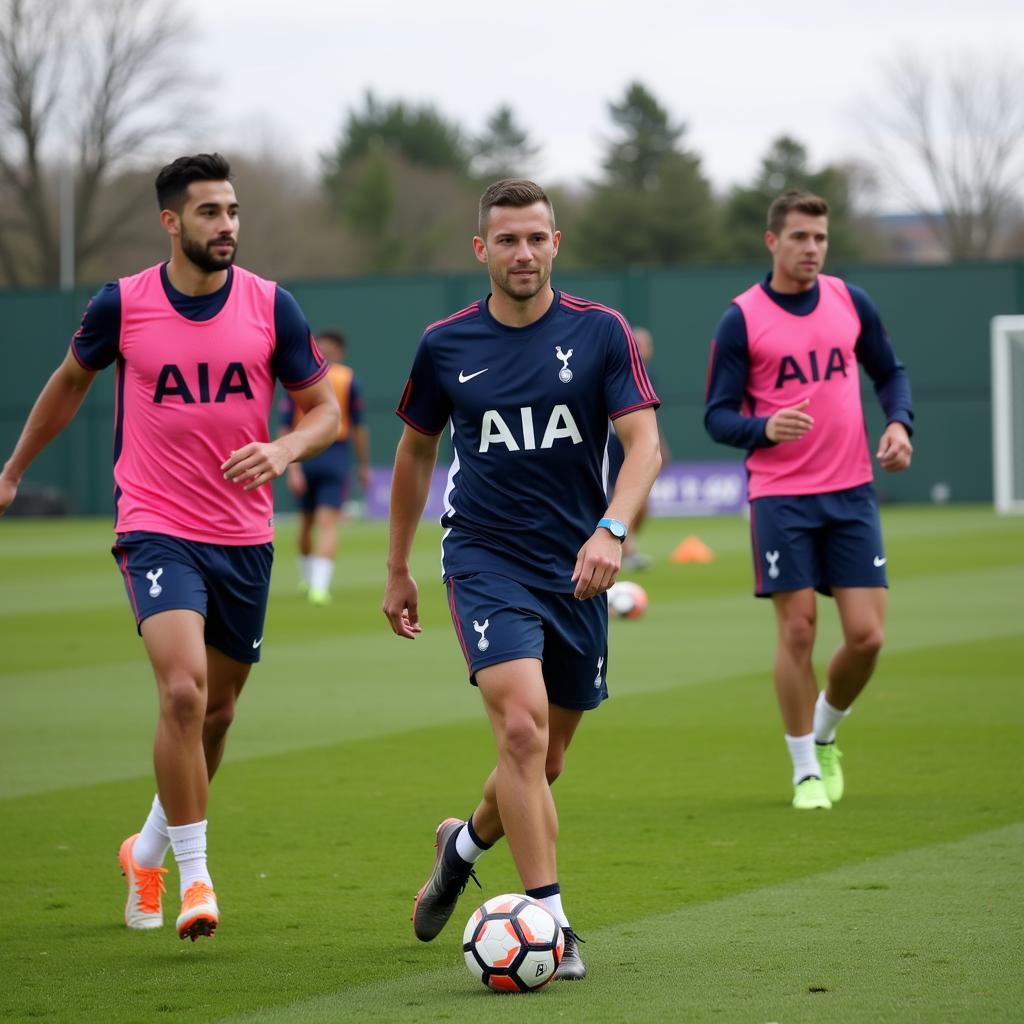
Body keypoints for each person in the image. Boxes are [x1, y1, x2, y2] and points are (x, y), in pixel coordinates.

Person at [0, 153, 339, 939]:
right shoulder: (121, 305)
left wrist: (285, 451)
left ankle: (145, 849)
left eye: (232, 211)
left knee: (215, 713)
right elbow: (68, 384)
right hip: (155, 526)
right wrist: (14, 470)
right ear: (171, 222)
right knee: (183, 694)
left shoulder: (271, 306)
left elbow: (321, 411)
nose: (226, 226)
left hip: (244, 535)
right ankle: (195, 879)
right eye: (210, 213)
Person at [382, 178, 662, 980]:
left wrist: (613, 528)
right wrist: (399, 566)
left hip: (578, 567)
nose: (523, 252)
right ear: (482, 250)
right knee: (519, 732)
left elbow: (643, 444)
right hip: (484, 557)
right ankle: (553, 922)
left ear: (556, 243)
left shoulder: (602, 332)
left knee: (547, 759)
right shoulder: (445, 345)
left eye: (536, 238)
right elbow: (415, 452)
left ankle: (460, 846)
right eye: (507, 240)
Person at [704, 189, 913, 811]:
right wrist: (762, 428)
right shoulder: (741, 317)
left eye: (820, 238)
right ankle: (803, 772)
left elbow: (890, 372)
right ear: (773, 241)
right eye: (800, 237)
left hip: (851, 491)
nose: (812, 248)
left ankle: (825, 734)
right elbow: (717, 416)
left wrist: (899, 424)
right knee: (797, 631)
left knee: (868, 638)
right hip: (780, 495)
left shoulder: (852, 300)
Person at [279, 327, 371, 605]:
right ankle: (318, 586)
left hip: (305, 450)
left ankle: (311, 582)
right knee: (325, 523)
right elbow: (359, 427)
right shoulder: (347, 378)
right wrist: (363, 465)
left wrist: (291, 466)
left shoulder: (301, 376)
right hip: (330, 453)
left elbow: (285, 426)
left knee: (308, 523)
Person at [606, 326, 669, 570]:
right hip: (611, 442)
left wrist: (659, 444)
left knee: (642, 501)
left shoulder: (647, 374)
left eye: (646, 345)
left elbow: (647, 417)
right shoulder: (614, 365)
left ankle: (628, 545)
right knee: (611, 496)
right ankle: (625, 548)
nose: (643, 350)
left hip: (635, 442)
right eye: (638, 344)